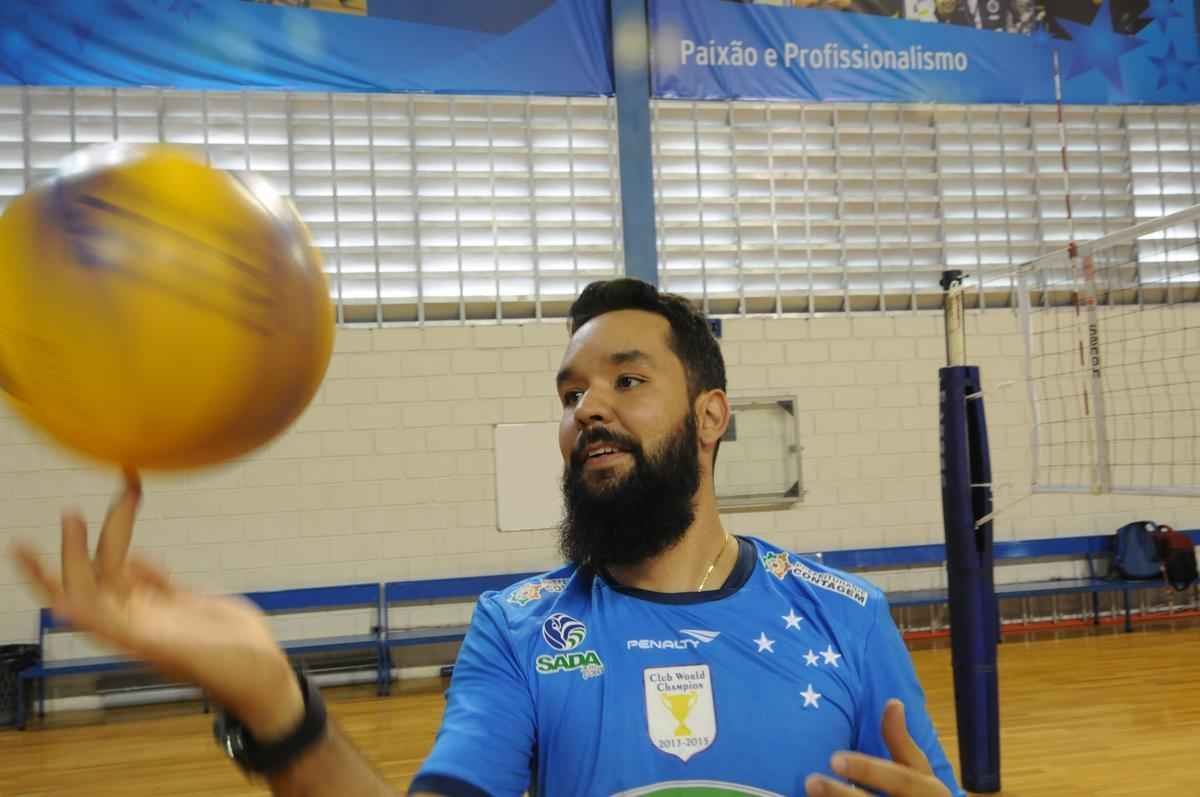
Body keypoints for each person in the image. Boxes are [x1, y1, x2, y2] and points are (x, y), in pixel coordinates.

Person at [12, 278, 964, 797]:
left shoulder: (846, 616)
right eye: (569, 394)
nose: (588, 406)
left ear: (711, 416)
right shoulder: (516, 629)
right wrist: (272, 700)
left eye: (626, 381)